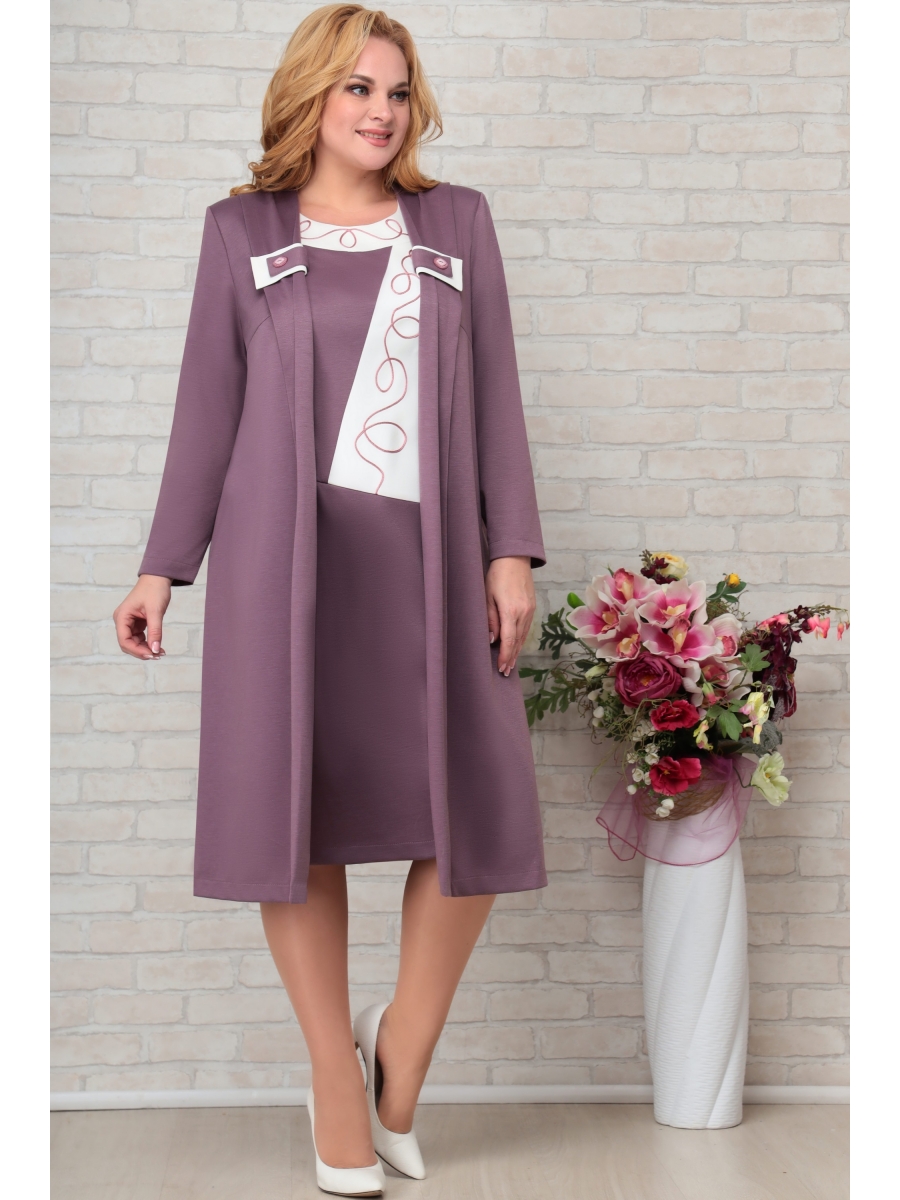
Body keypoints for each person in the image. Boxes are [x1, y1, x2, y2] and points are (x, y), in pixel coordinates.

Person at [113, 5, 546, 1195]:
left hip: (434, 565)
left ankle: (401, 1043)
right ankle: (330, 1075)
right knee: (295, 813)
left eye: (398, 92)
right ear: (309, 94)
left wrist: (511, 552)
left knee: (474, 807)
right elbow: (207, 410)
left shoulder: (455, 223)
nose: (381, 111)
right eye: (358, 87)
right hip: (288, 571)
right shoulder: (241, 232)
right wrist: (163, 566)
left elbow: (497, 392)